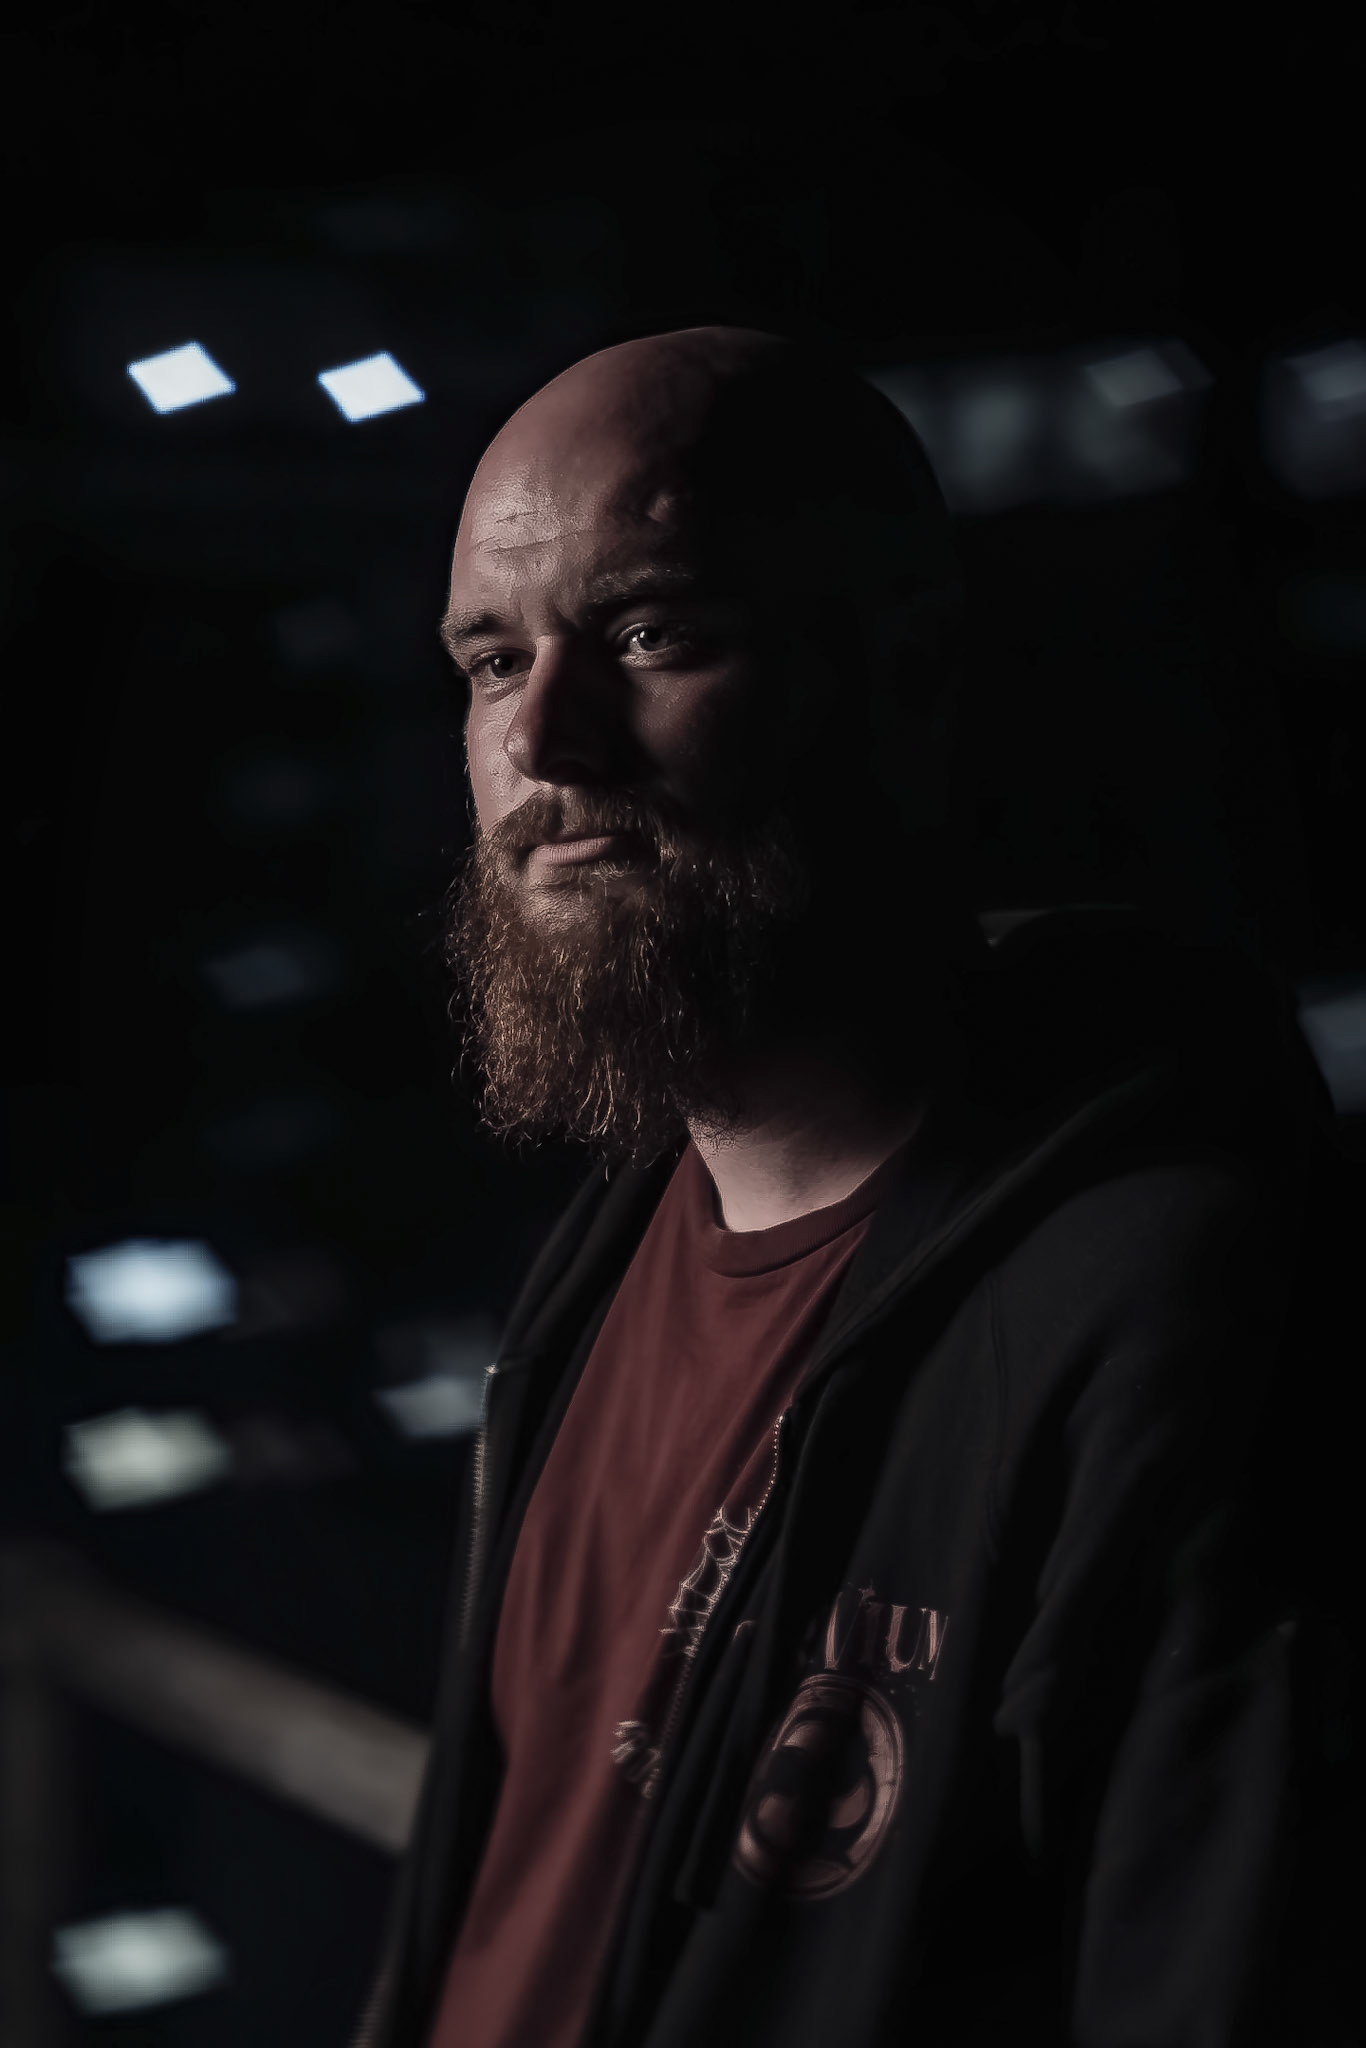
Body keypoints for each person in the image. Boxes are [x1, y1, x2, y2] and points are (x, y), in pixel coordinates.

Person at [353, 327, 1357, 2048]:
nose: (545, 741)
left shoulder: (1173, 1307)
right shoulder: (612, 1247)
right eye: (492, 660)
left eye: (652, 634)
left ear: (903, 673)